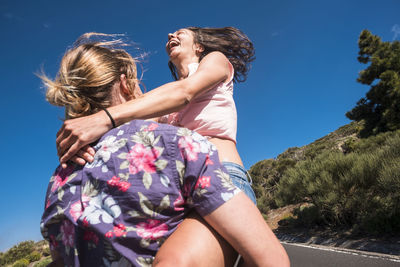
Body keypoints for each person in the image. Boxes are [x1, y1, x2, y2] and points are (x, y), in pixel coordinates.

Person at [40, 33, 289, 267]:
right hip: (182, 179)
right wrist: (74, 139)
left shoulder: (213, 62)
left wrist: (102, 118)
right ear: (125, 85)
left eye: (181, 32)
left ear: (199, 46)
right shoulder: (161, 100)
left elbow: (185, 92)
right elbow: (135, 133)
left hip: (223, 173)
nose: (171, 35)